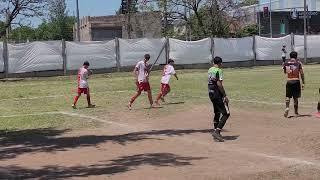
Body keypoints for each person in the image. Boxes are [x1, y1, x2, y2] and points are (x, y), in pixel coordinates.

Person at [208, 56, 230, 142]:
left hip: (211, 93)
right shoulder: (219, 70)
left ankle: (216, 132)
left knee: (217, 112)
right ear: (220, 63)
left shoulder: (210, 69)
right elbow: (219, 84)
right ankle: (217, 132)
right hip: (217, 94)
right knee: (226, 113)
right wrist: (224, 95)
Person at [283, 51, 305, 118]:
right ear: (296, 56)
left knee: (288, 96)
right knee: (295, 98)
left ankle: (287, 107)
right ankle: (296, 112)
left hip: (289, 81)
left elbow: (285, 72)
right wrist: (303, 82)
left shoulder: (286, 63)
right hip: (296, 81)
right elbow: (301, 73)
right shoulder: (298, 63)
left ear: (290, 56)